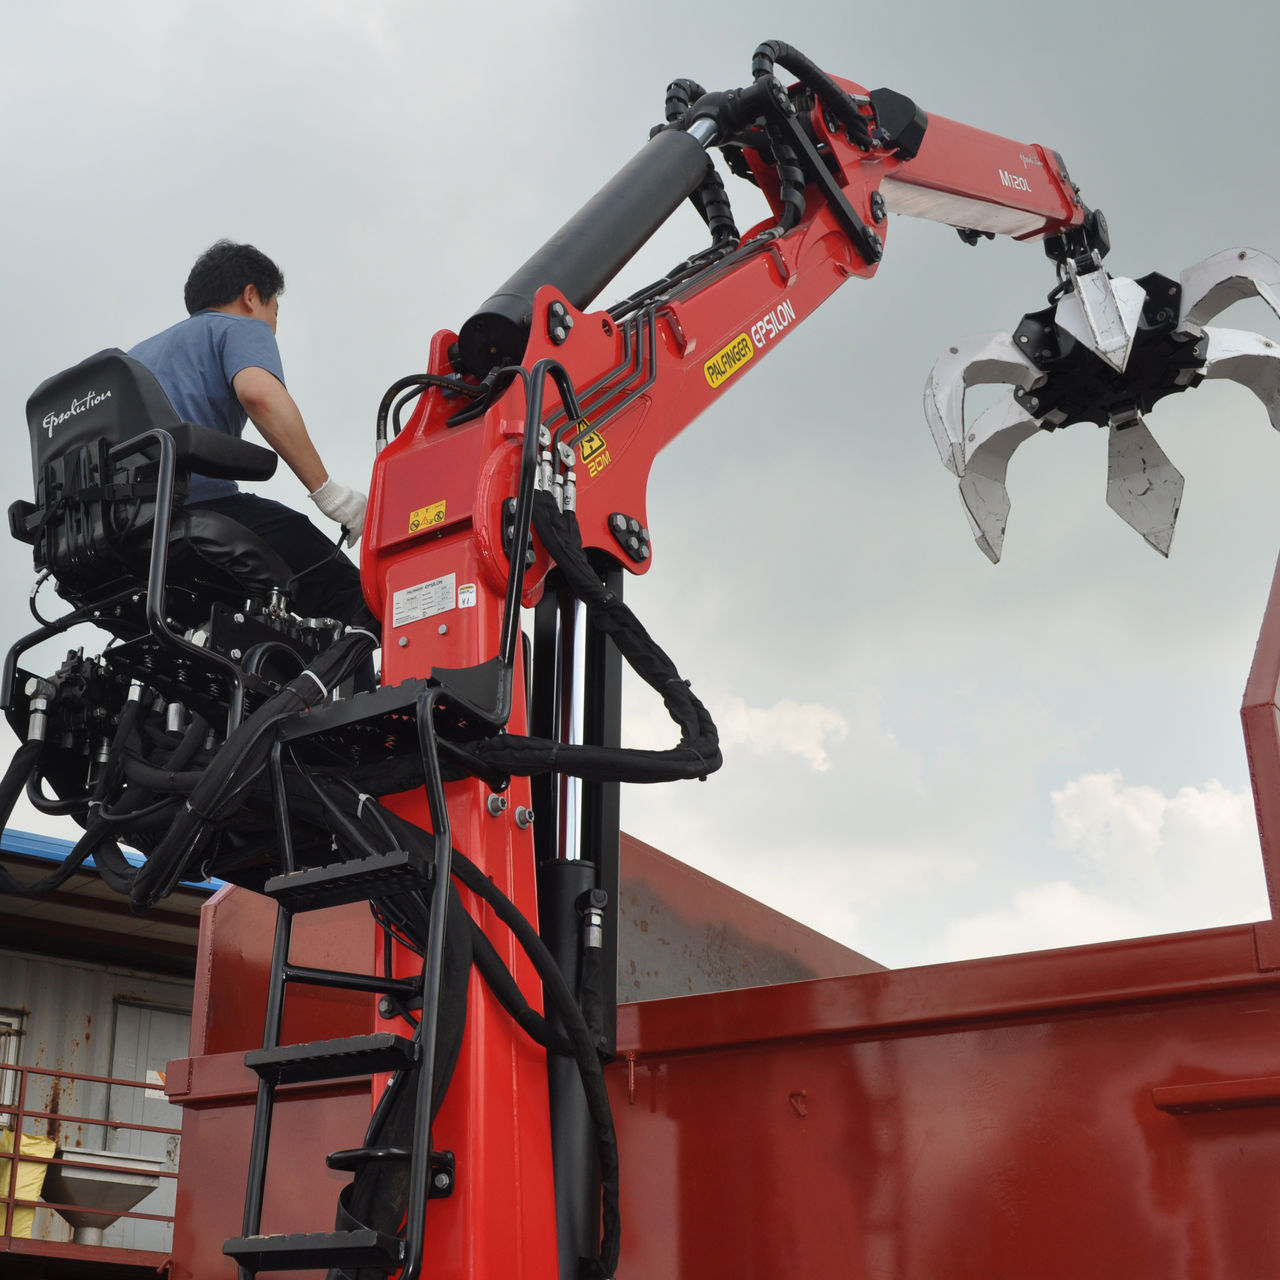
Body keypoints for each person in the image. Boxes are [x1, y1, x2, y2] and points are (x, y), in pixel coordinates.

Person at [128, 240, 377, 634]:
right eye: (274, 311)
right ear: (250, 297)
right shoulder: (239, 327)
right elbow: (259, 393)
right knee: (351, 594)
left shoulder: (133, 357)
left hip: (126, 534)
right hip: (197, 511)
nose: (272, 326)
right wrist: (330, 495)